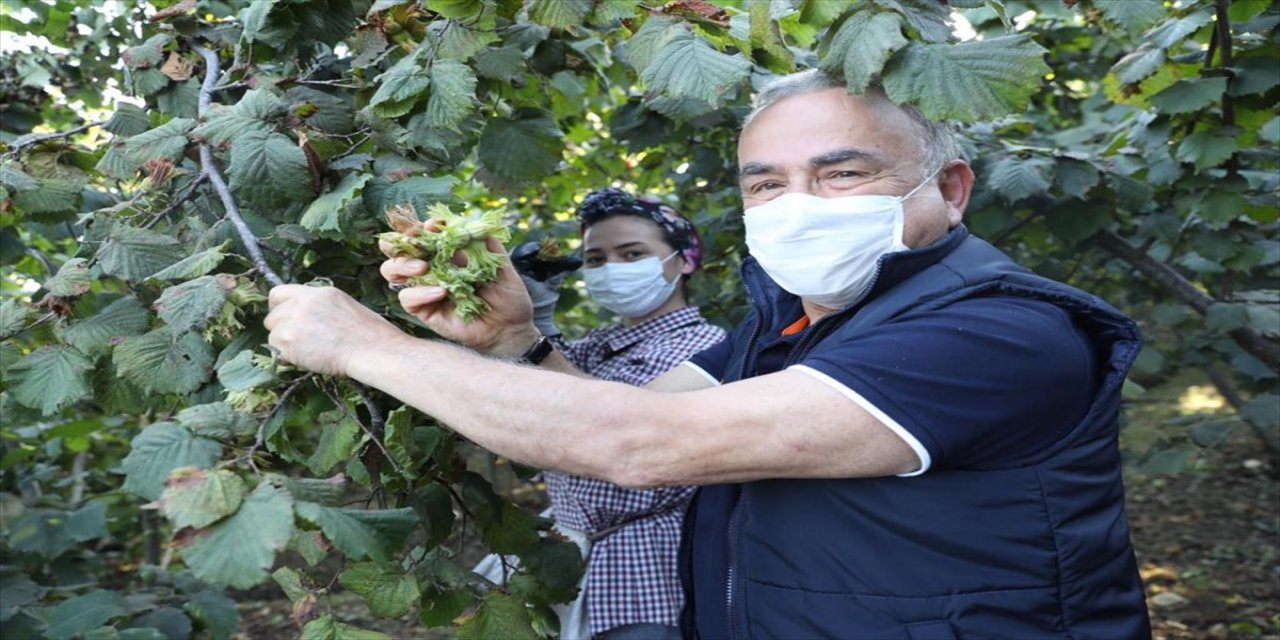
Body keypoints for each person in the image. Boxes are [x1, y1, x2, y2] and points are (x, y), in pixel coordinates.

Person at [265, 69, 1152, 638]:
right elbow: (631, 445)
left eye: (841, 173)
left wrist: (368, 347)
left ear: (949, 190)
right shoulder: (782, 329)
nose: (797, 202)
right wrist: (512, 340)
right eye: (767, 183)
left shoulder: (999, 332)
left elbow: (644, 445)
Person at [476, 188, 726, 640]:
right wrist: (537, 314)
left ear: (683, 261)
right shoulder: (597, 345)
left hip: (650, 576)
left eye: (632, 253)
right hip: (572, 562)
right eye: (595, 259)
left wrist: (528, 331)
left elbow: (595, 427)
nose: (612, 268)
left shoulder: (706, 348)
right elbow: (530, 405)